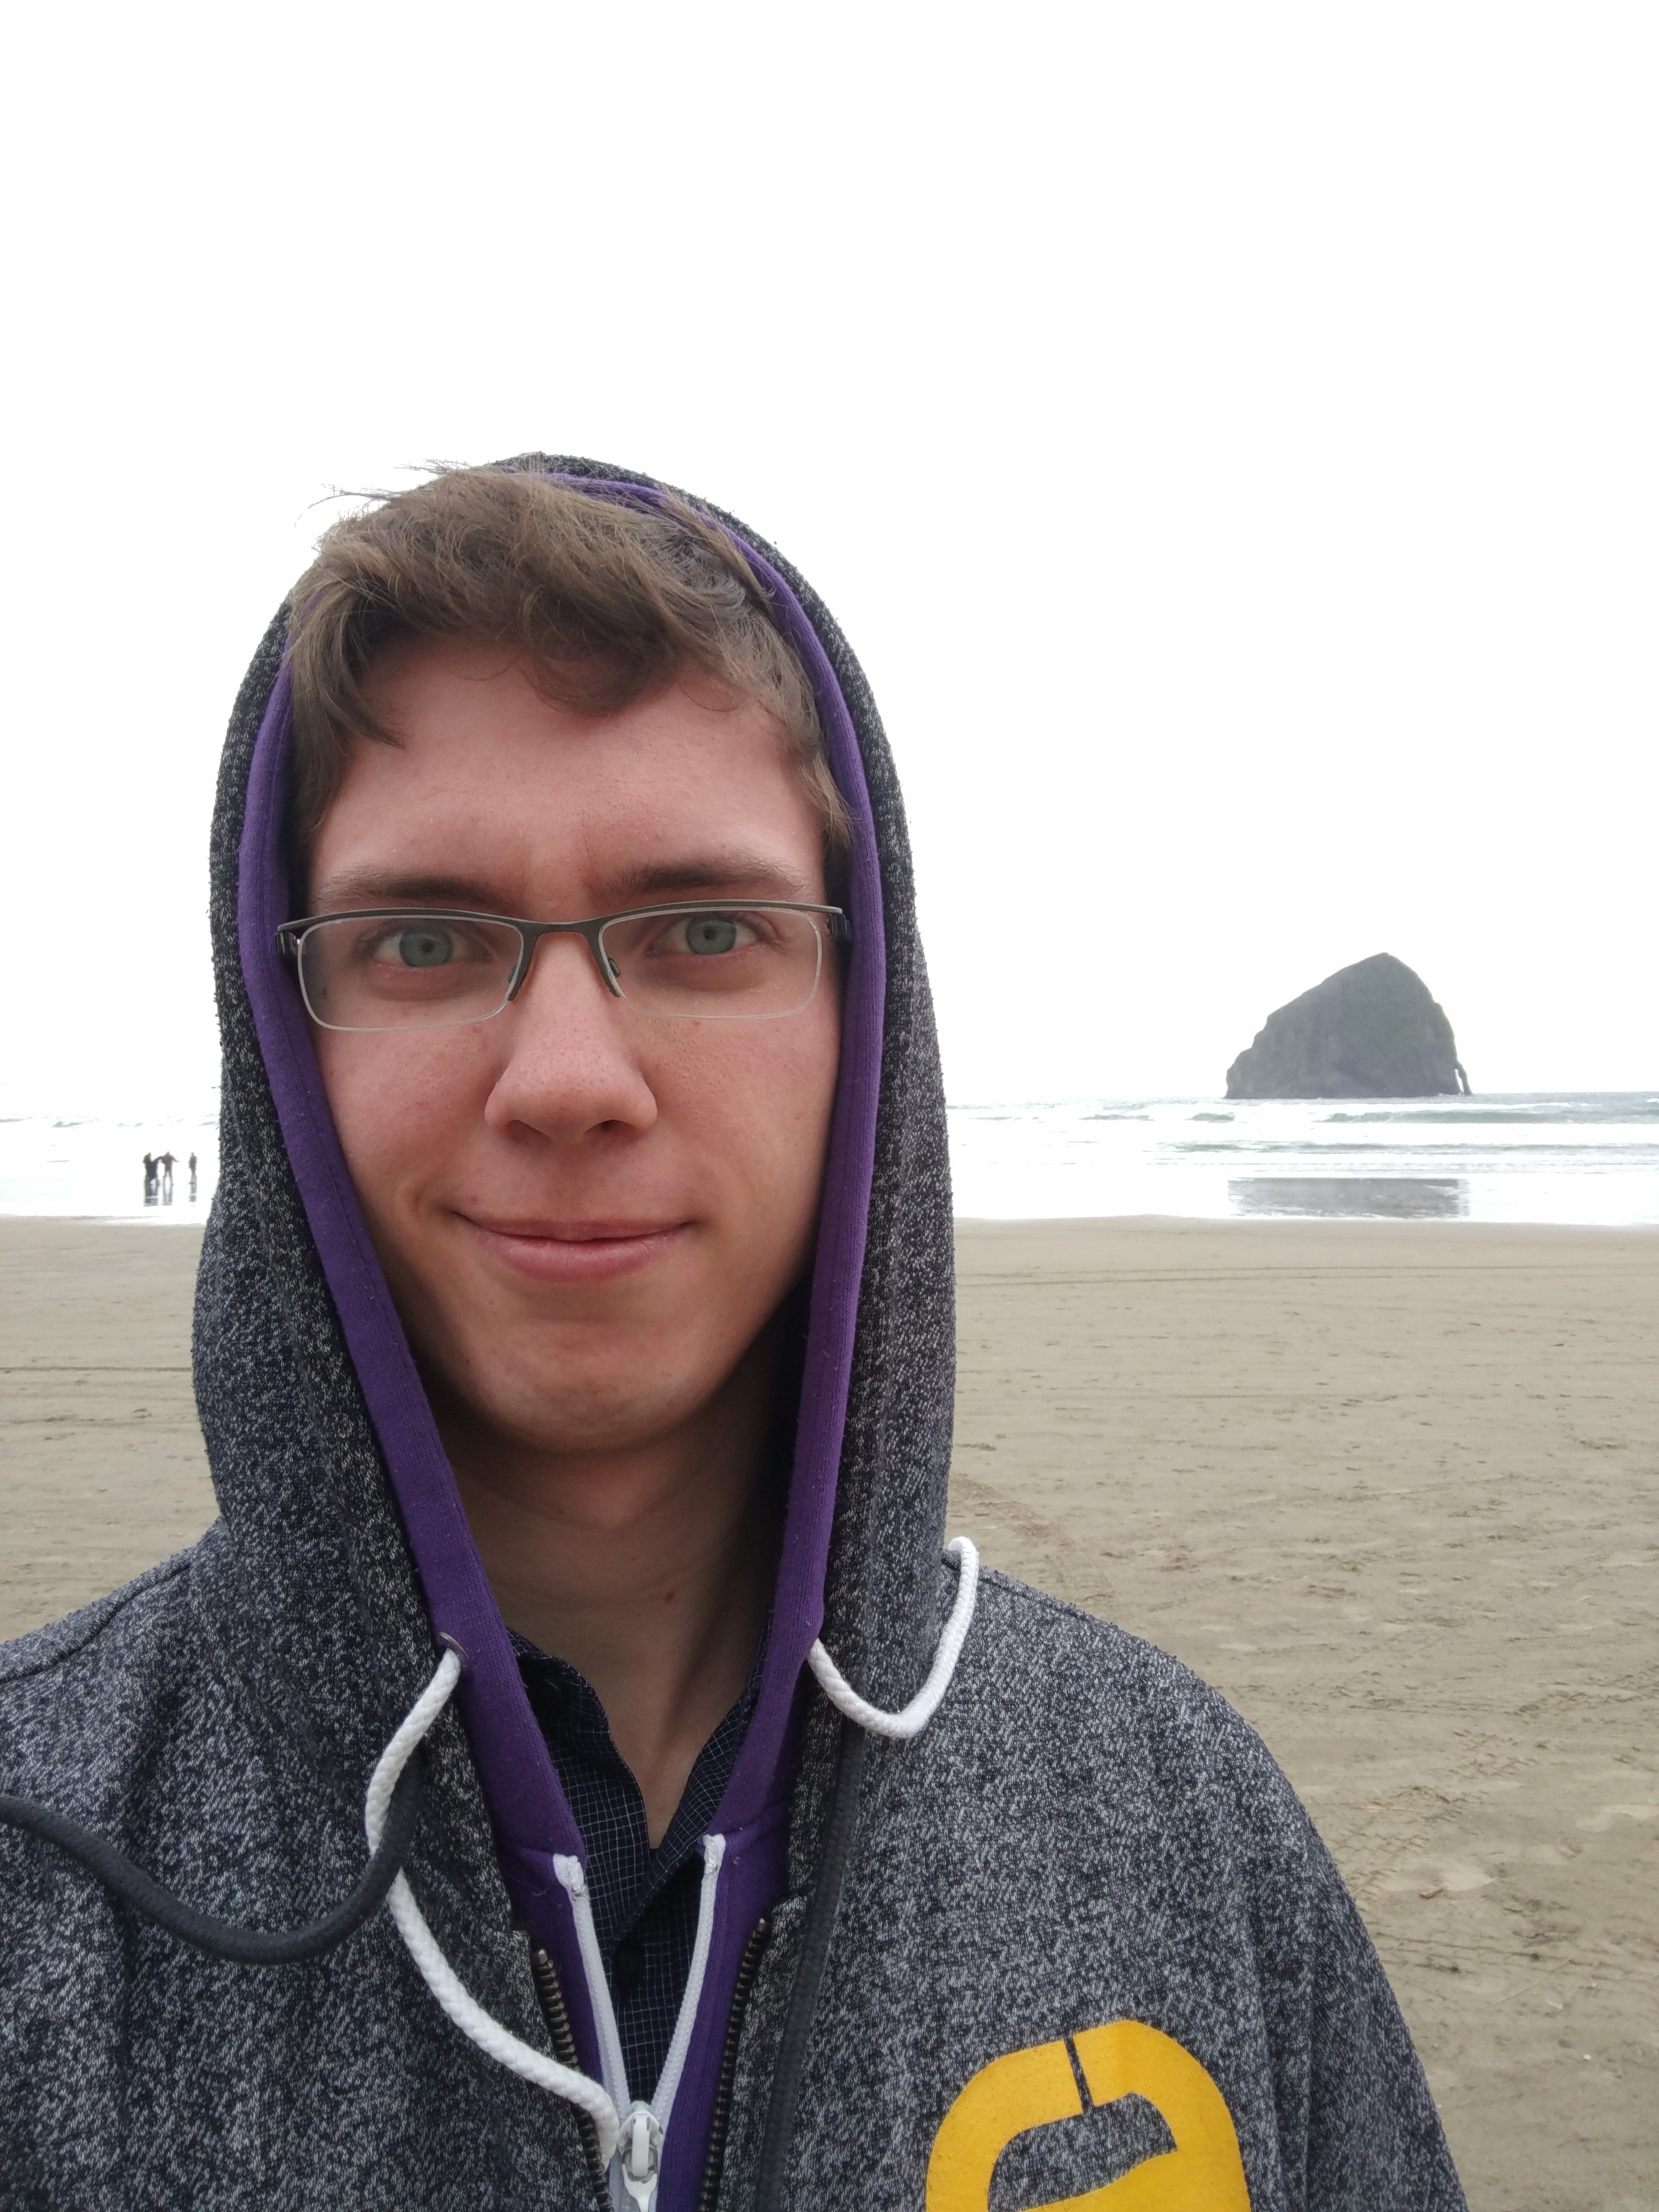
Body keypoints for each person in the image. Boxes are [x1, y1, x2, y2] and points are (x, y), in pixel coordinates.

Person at [0, 462, 1465, 2210]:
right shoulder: (43, 1873)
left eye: (705, 931)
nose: (564, 1081)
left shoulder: (1184, 1829)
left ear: (869, 1023)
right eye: (420, 939)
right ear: (281, 1040)